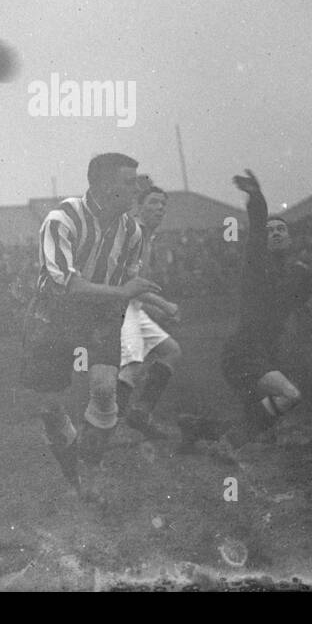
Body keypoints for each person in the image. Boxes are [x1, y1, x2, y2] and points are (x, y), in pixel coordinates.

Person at [183, 170, 312, 447]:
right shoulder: (256, 265)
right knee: (289, 397)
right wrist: (256, 197)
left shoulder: (298, 273)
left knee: (259, 422)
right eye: (271, 231)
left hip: (267, 352)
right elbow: (256, 228)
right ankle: (229, 443)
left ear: (289, 238)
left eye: (281, 230)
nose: (276, 234)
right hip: (243, 352)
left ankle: (196, 428)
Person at [19, 153, 161, 491]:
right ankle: (75, 474)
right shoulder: (61, 219)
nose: (136, 190)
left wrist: (160, 302)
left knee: (103, 388)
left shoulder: (131, 230)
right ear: (103, 185)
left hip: (100, 314)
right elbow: (66, 284)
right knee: (51, 408)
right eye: (129, 183)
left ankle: (91, 473)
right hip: (54, 315)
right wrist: (122, 292)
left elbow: (129, 281)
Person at [117, 185, 183, 439]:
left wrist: (154, 306)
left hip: (131, 306)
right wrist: (164, 305)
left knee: (171, 351)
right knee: (132, 365)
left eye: (163, 204)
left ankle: (140, 413)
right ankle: (102, 431)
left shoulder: (147, 236)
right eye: (154, 202)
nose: (160, 208)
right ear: (139, 206)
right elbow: (126, 285)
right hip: (118, 307)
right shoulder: (133, 234)